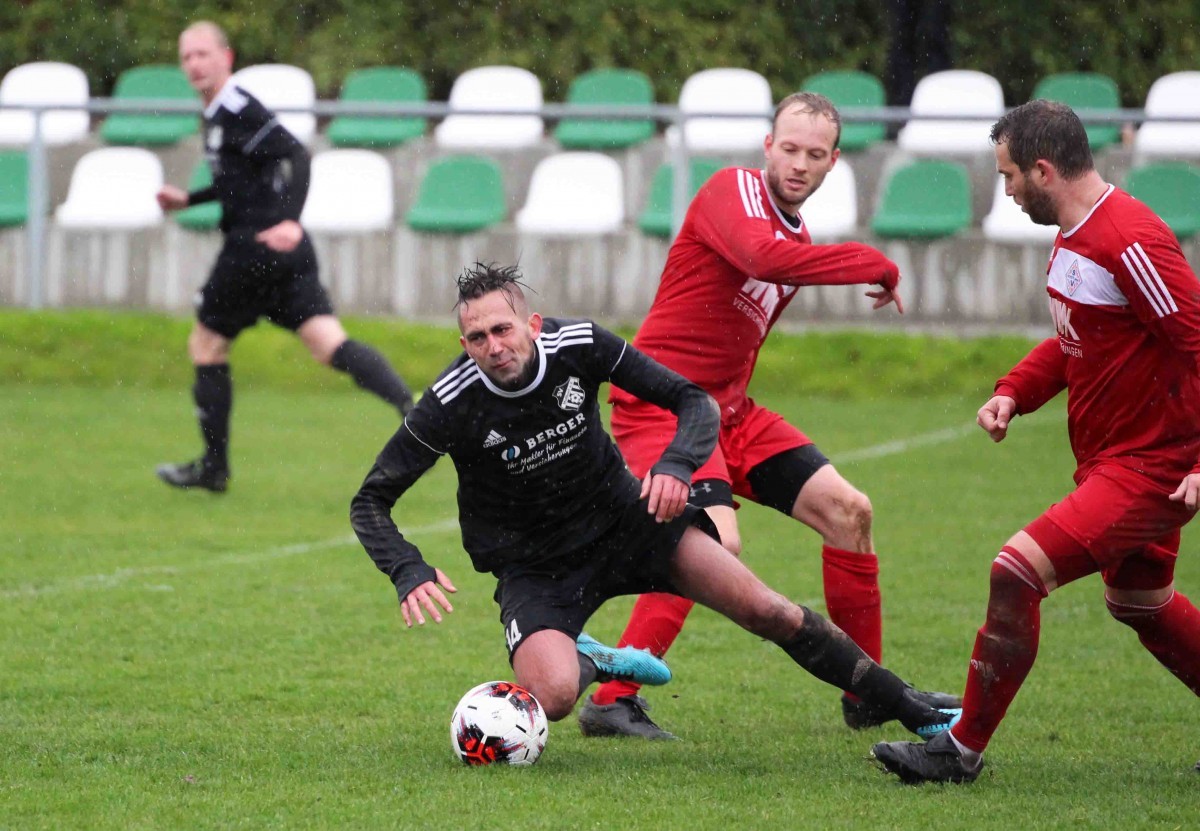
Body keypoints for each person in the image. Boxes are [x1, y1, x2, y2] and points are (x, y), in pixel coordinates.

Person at [349, 262, 960, 740]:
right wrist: (408, 569)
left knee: (768, 610)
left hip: (630, 524)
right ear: (464, 341)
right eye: (477, 337)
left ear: (532, 325)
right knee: (555, 698)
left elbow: (694, 401)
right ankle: (593, 659)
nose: (494, 346)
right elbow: (370, 500)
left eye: (503, 329)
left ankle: (914, 712)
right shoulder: (449, 403)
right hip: (535, 566)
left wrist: (673, 465)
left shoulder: (581, 345)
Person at [578, 91, 957, 740]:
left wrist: (731, 423)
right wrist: (871, 260)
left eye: (815, 154)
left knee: (850, 511)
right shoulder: (733, 192)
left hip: (729, 411)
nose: (799, 163)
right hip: (666, 401)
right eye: (789, 148)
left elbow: (746, 324)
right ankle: (612, 697)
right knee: (711, 542)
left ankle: (865, 691)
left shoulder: (800, 236)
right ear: (767, 146)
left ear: (834, 161)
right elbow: (764, 259)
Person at [872, 100, 1200, 784]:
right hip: (1111, 462)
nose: (1009, 191)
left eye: (1011, 176)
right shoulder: (1077, 234)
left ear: (1044, 170)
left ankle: (959, 749)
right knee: (1138, 603)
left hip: (1151, 466)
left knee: (1015, 570)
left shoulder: (1130, 241)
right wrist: (1014, 391)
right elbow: (1079, 339)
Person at [155, 21, 415, 493]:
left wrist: (291, 220)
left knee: (207, 345)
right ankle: (413, 411)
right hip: (284, 253)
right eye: (186, 56)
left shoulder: (236, 106)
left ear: (226, 58)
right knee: (329, 343)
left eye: (202, 54)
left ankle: (214, 468)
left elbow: (298, 153)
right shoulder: (217, 112)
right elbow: (239, 183)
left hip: (254, 249)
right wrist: (188, 201)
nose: (194, 63)